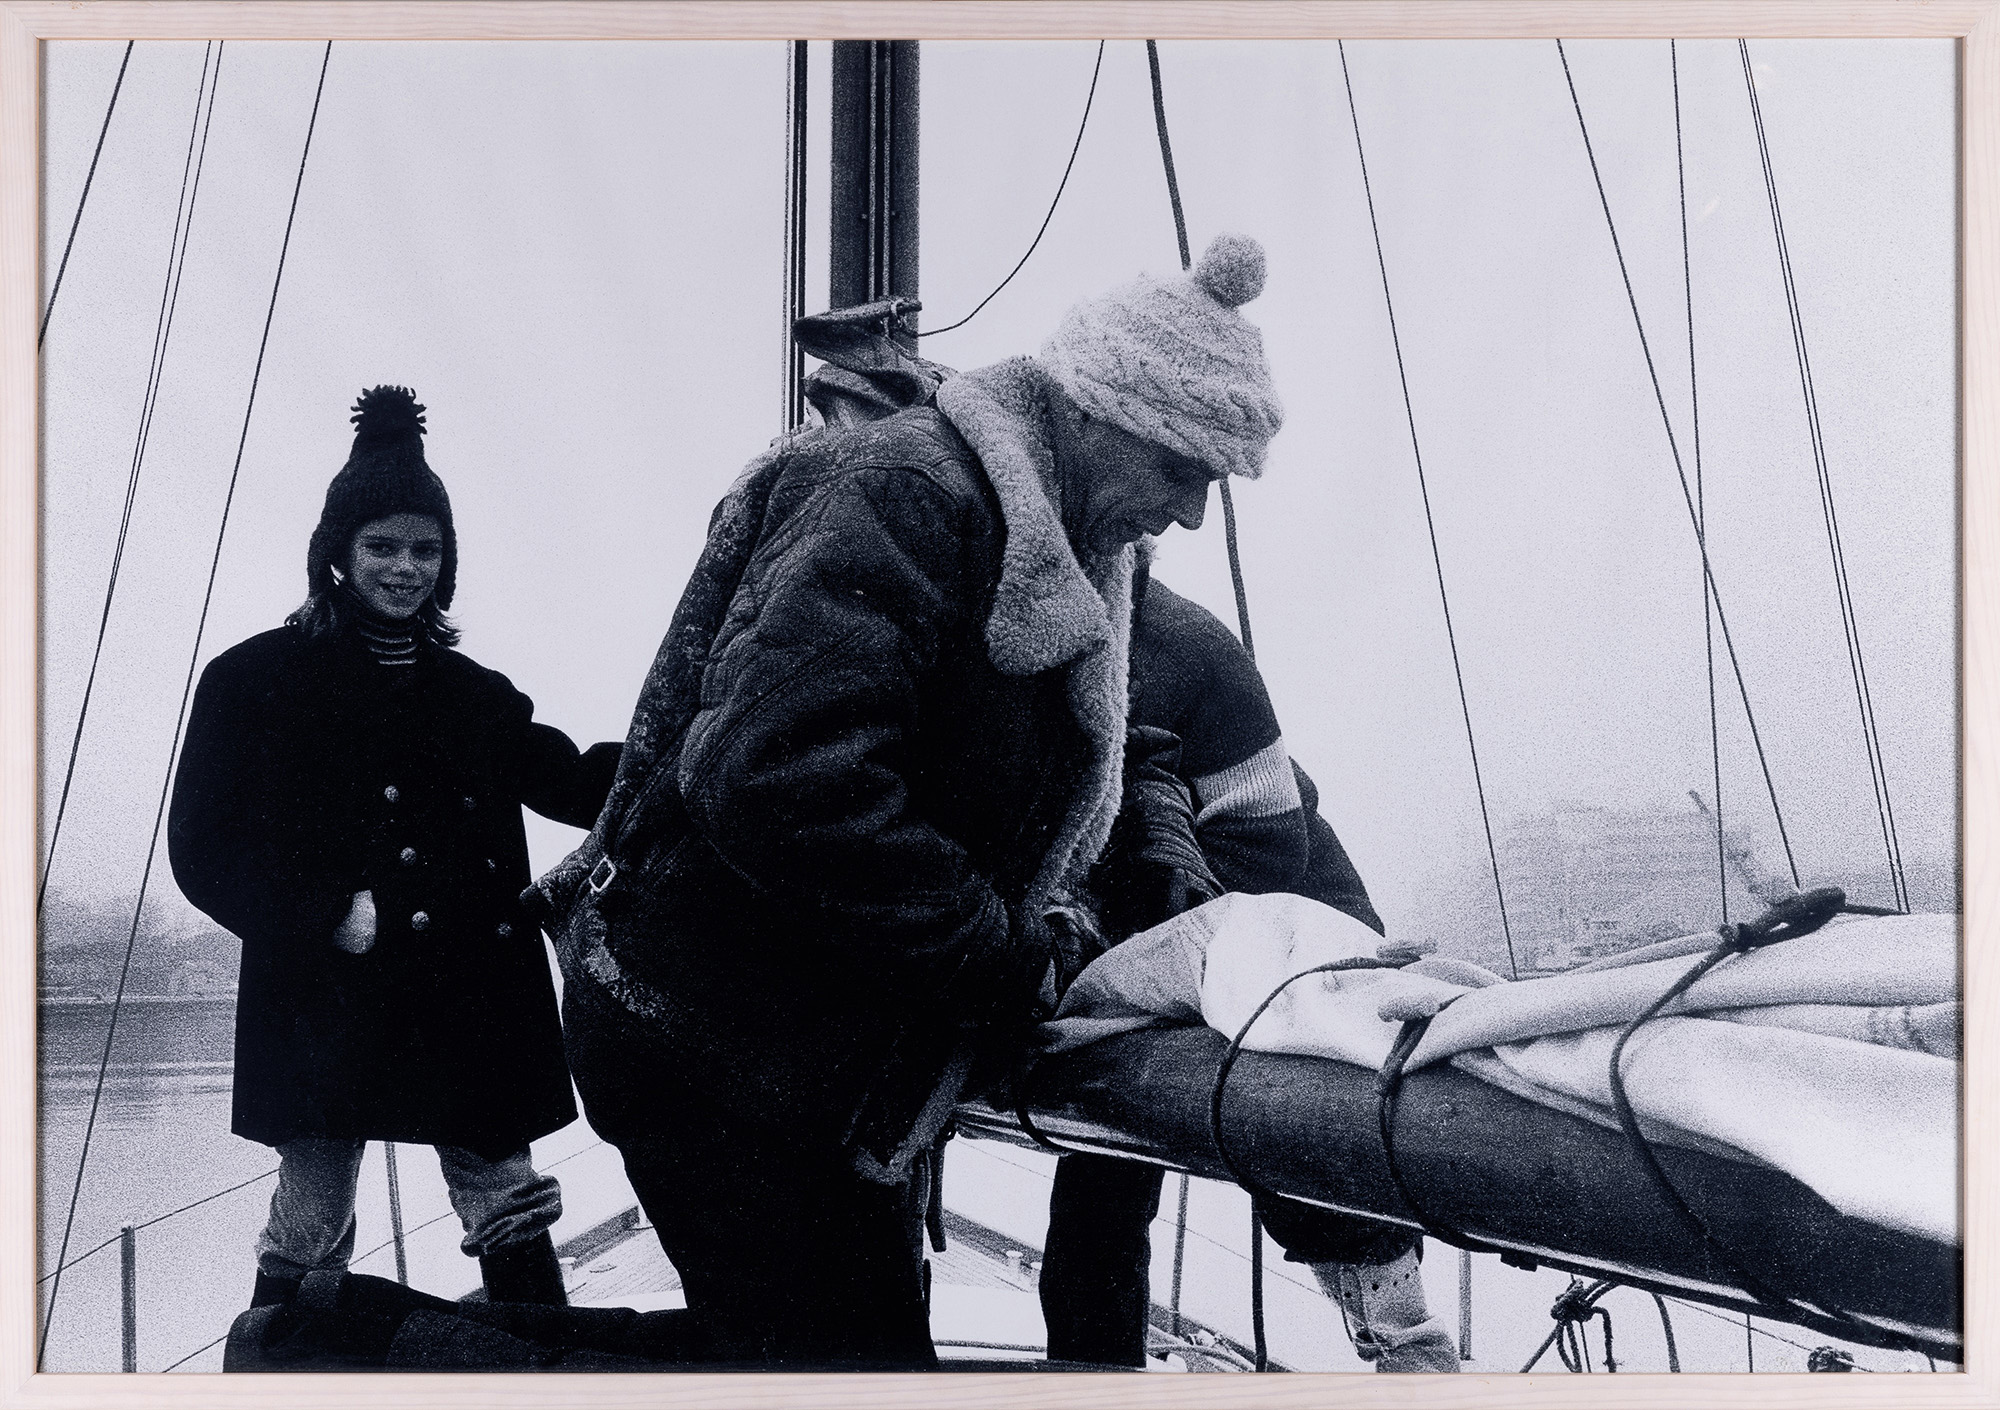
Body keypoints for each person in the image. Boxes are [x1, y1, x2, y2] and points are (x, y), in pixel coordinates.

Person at [536, 233, 1286, 1369]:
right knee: (841, 1368)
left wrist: (1166, 875)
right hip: (714, 1047)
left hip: (801, 1049)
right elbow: (774, 774)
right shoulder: (906, 495)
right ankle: (359, 1349)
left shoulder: (1064, 538)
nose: (1189, 511)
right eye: (1186, 469)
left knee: (821, 1359)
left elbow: (1114, 741)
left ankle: (357, 1341)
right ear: (1105, 416)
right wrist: (1004, 958)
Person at [169, 387, 620, 1312]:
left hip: (471, 992)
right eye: (382, 547)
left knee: (507, 1198)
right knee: (312, 1210)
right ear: (336, 553)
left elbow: (577, 783)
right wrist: (328, 912)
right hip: (328, 991)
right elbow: (203, 848)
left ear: (447, 562)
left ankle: (544, 1363)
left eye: (426, 550)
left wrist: (701, 735)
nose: (405, 569)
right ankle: (274, 1366)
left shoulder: (475, 694)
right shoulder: (253, 681)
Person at [1036, 557, 1458, 1373]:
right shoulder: (1055, 628)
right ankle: (1095, 1377)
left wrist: (1113, 948)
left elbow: (1266, 846)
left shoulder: (1178, 644)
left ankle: (1408, 1346)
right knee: (1102, 1187)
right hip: (1171, 938)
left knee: (1305, 1138)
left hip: (1286, 928)